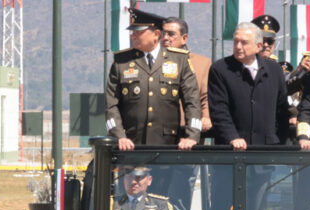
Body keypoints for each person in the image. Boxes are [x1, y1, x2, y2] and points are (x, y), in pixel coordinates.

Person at [105, 8, 201, 149]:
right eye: (133, 32)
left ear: (156, 34)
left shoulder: (179, 60)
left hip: (168, 146)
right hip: (130, 146)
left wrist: (192, 136)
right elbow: (110, 106)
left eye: (139, 32)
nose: (133, 36)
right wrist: (119, 136)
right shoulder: (121, 62)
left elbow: (192, 103)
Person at [207, 21, 290, 149]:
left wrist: (279, 142)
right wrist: (232, 137)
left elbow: (282, 110)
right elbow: (219, 110)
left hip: (267, 152)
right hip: (232, 151)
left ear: (258, 46)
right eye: (236, 41)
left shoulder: (274, 70)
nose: (238, 46)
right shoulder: (220, 69)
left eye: (244, 42)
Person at [161, 16, 212, 138]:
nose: (166, 38)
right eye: (163, 33)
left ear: (184, 38)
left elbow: (205, 97)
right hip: (159, 131)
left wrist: (206, 117)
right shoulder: (151, 63)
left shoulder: (202, 63)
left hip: (189, 132)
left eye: (171, 34)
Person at [113, 166, 178, 210]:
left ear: (149, 180)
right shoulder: (112, 203)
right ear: (124, 179)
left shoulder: (161, 204)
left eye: (138, 177)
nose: (133, 182)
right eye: (129, 177)